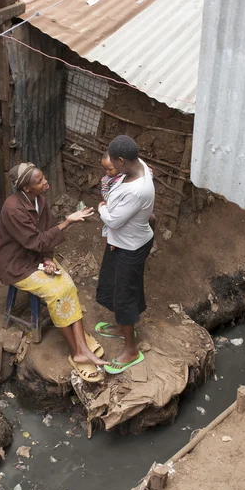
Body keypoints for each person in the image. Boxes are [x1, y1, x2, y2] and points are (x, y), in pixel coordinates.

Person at [0, 162, 107, 382]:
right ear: (26, 189)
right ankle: (77, 352)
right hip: (16, 264)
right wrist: (67, 222)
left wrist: (47, 258)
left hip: (35, 257)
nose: (45, 182)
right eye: (40, 181)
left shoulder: (39, 200)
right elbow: (35, 240)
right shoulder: (13, 208)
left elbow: (44, 234)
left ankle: (81, 345)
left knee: (68, 284)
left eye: (44, 178)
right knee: (57, 293)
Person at [96, 135, 155, 374]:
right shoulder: (137, 164)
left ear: (122, 160)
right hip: (122, 242)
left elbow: (114, 220)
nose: (111, 167)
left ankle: (131, 349)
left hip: (130, 246)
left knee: (124, 294)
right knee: (115, 284)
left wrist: (101, 207)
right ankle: (123, 327)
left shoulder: (137, 190)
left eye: (113, 162)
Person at [100, 152, 158, 253]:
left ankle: (151, 240)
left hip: (135, 205)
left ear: (119, 163)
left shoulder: (128, 174)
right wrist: (109, 202)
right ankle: (115, 242)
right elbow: (105, 193)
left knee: (152, 218)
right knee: (117, 225)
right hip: (118, 207)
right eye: (105, 169)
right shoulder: (106, 180)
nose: (107, 172)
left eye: (110, 169)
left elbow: (147, 172)